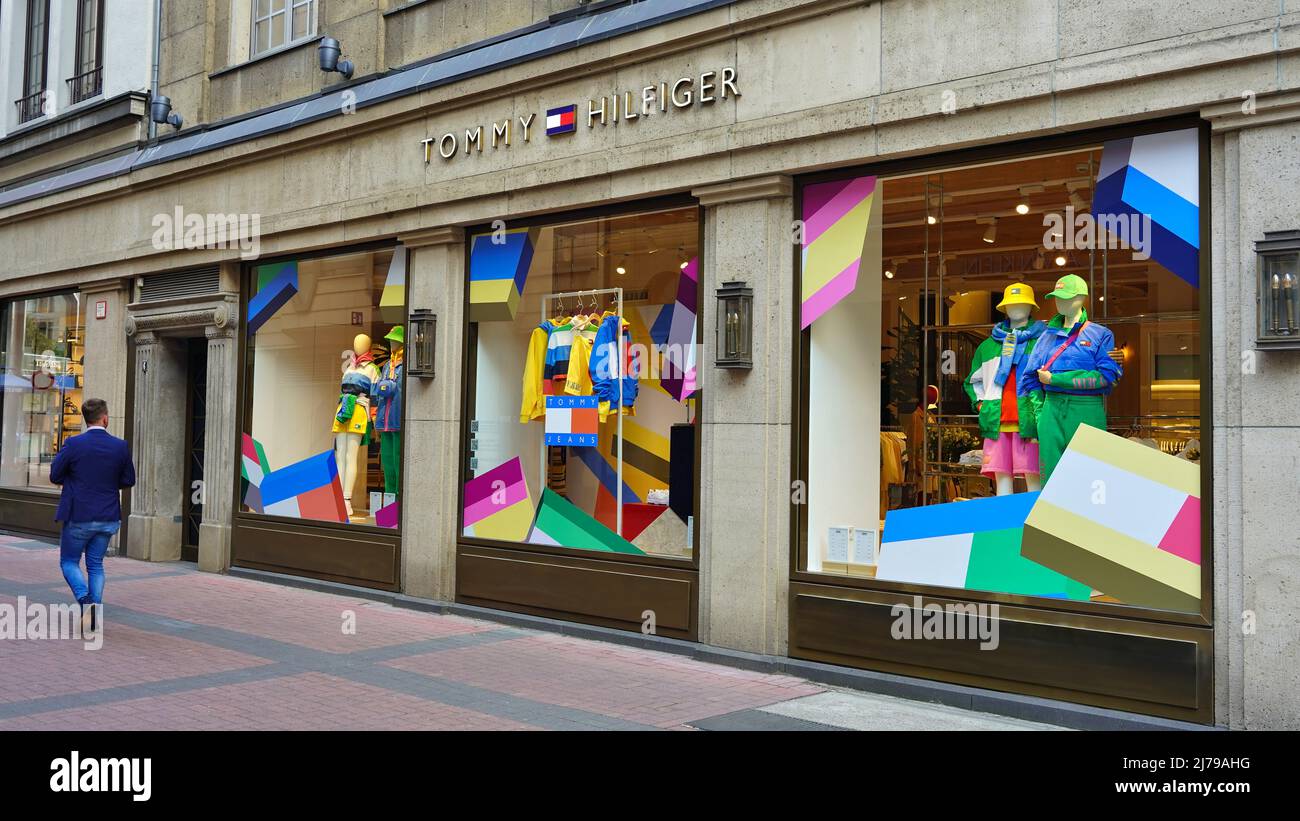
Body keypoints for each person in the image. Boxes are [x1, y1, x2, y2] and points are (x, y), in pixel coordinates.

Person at [50, 398, 136, 634]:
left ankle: (83, 598)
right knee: (95, 564)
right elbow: (129, 480)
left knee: (68, 562)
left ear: (85, 419)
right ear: (105, 418)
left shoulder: (74, 444)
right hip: (108, 515)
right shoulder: (120, 446)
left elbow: (55, 475)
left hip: (79, 514)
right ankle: (93, 612)